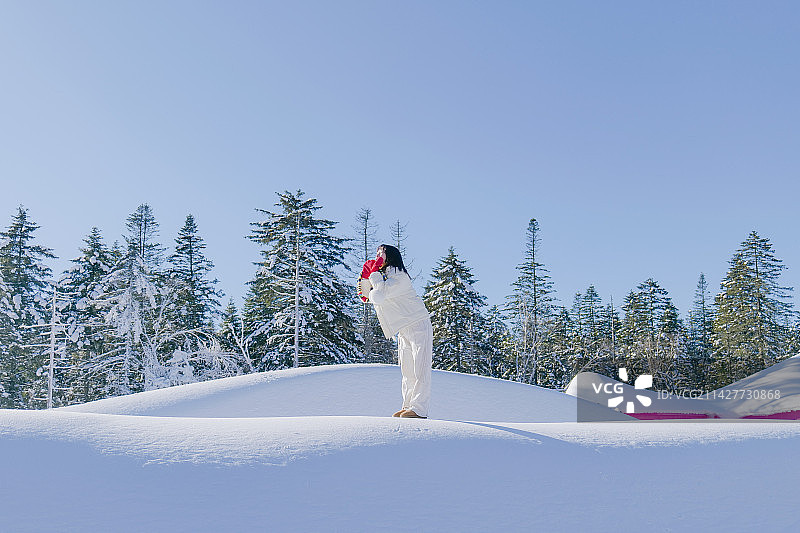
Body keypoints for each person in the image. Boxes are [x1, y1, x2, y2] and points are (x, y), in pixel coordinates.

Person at [362, 244, 433, 419]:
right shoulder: (384, 277)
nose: (378, 255)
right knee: (407, 370)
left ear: (392, 255)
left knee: (420, 368)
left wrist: (373, 277)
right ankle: (408, 406)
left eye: (382, 252)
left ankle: (419, 409)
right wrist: (368, 285)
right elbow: (373, 297)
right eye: (377, 252)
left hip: (418, 324)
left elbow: (380, 294)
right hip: (403, 329)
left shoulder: (400, 277)